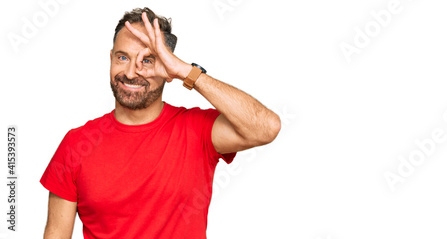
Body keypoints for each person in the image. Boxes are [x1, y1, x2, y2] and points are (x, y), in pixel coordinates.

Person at [40, 7, 280, 239]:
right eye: (123, 57)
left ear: (167, 67)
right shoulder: (76, 144)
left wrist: (187, 72)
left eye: (147, 61)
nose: (132, 72)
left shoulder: (197, 130)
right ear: (110, 58)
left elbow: (266, 127)